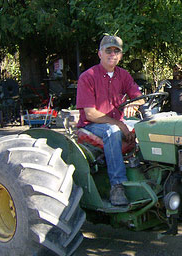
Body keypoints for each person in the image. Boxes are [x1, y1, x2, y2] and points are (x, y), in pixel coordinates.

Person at [76, 35, 144, 206]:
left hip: (117, 122)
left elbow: (139, 97)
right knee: (112, 131)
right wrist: (121, 125)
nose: (112, 54)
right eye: (108, 50)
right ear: (100, 53)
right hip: (93, 125)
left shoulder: (124, 75)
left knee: (147, 126)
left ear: (120, 55)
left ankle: (147, 173)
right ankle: (117, 185)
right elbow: (90, 114)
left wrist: (134, 104)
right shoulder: (88, 77)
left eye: (116, 51)